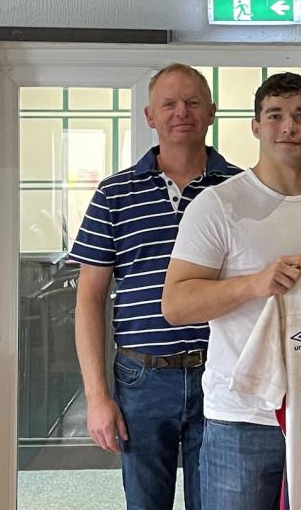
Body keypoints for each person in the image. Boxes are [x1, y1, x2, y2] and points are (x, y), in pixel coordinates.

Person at [161, 72, 301, 510]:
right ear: (255, 127)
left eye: (300, 116)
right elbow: (175, 304)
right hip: (241, 418)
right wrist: (255, 284)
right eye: (275, 115)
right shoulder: (217, 205)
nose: (288, 127)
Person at [71, 63, 240, 510]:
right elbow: (89, 300)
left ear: (211, 112)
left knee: (220, 502)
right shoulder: (114, 194)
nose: (180, 112)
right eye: (169, 103)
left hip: (223, 375)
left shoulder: (242, 190)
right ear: (150, 116)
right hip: (141, 378)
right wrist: (96, 397)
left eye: (192, 102)